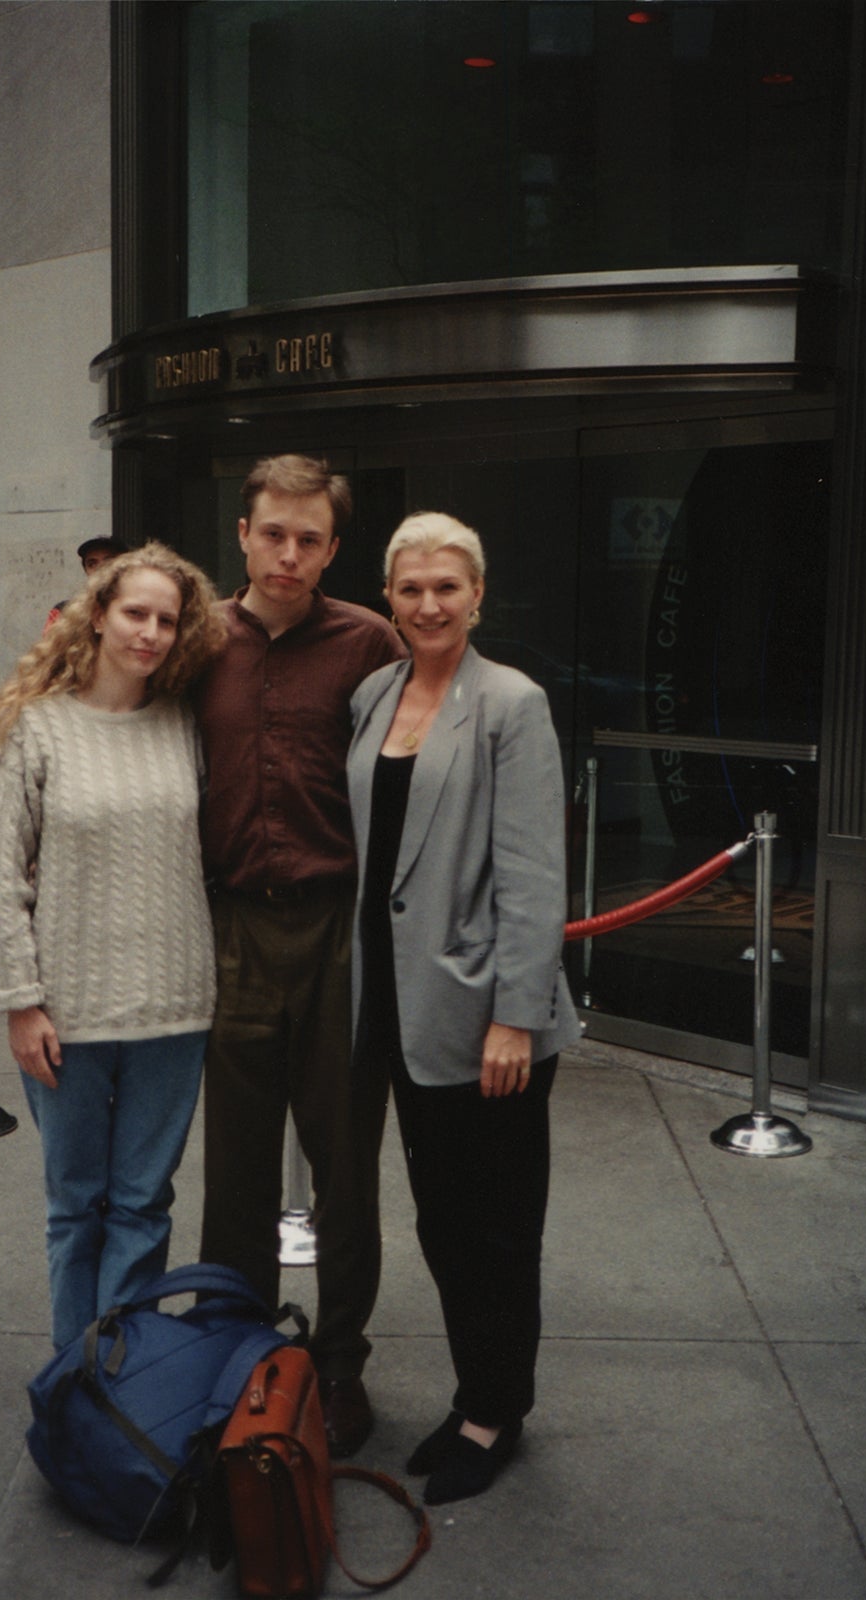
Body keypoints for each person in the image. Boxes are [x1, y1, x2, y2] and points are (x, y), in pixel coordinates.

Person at [347, 512, 580, 1505]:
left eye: (448, 587)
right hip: (396, 1012)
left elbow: (532, 874)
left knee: (497, 1225)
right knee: (442, 1220)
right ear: (389, 598)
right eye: (411, 589)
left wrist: (516, 1016)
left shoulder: (511, 704)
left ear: (478, 595)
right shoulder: (373, 693)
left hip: (488, 1018)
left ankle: (497, 1411)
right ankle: (474, 1387)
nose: (430, 604)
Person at [191, 454, 405, 1458]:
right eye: (272, 531)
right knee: (232, 1171)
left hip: (338, 932)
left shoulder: (372, 643)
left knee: (345, 1170)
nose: (288, 553)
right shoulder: (196, 639)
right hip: (230, 929)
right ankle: (234, 1362)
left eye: (309, 537)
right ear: (242, 531)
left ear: (332, 544)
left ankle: (341, 1366)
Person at [0, 542, 227, 1351]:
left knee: (144, 1206)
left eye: (166, 619)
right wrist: (21, 1003)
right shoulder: (35, 728)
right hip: (67, 1016)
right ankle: (71, 1387)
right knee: (76, 1207)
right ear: (99, 616)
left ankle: (121, 1383)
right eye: (134, 613)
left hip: (174, 1010)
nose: (149, 632)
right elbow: (1, 880)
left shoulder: (185, 722)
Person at [45, 535, 129, 631]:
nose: (100, 568)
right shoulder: (64, 612)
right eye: (92, 564)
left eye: (108, 561)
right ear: (86, 570)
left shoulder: (138, 606)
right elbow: (50, 645)